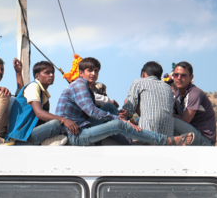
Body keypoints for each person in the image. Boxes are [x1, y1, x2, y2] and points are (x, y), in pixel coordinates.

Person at [55, 57, 193, 146]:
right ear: (81, 73)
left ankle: (128, 140)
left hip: (81, 126)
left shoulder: (86, 87)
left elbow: (126, 107)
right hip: (75, 134)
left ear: (144, 74)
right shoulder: (79, 85)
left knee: (109, 107)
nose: (93, 74)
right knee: (118, 124)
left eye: (96, 71)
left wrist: (123, 116)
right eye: (89, 70)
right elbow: (91, 111)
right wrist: (123, 120)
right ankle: (167, 140)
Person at [7, 60, 75, 145]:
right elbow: (39, 113)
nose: (51, 75)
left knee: (62, 125)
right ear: (37, 76)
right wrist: (63, 120)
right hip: (21, 136)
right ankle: (45, 142)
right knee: (56, 124)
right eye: (47, 73)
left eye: (52, 73)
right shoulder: (33, 86)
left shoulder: (44, 93)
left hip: (29, 132)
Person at [119, 61, 175, 137]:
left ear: (143, 74)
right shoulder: (168, 87)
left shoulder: (139, 82)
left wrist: (123, 115)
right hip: (168, 135)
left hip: (147, 134)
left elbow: (128, 110)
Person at [172, 61, 216, 146]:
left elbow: (185, 120)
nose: (179, 78)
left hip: (205, 141)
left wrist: (166, 114)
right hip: (189, 135)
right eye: (176, 75)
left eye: (183, 75)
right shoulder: (176, 95)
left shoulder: (194, 93)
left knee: (170, 120)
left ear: (191, 77)